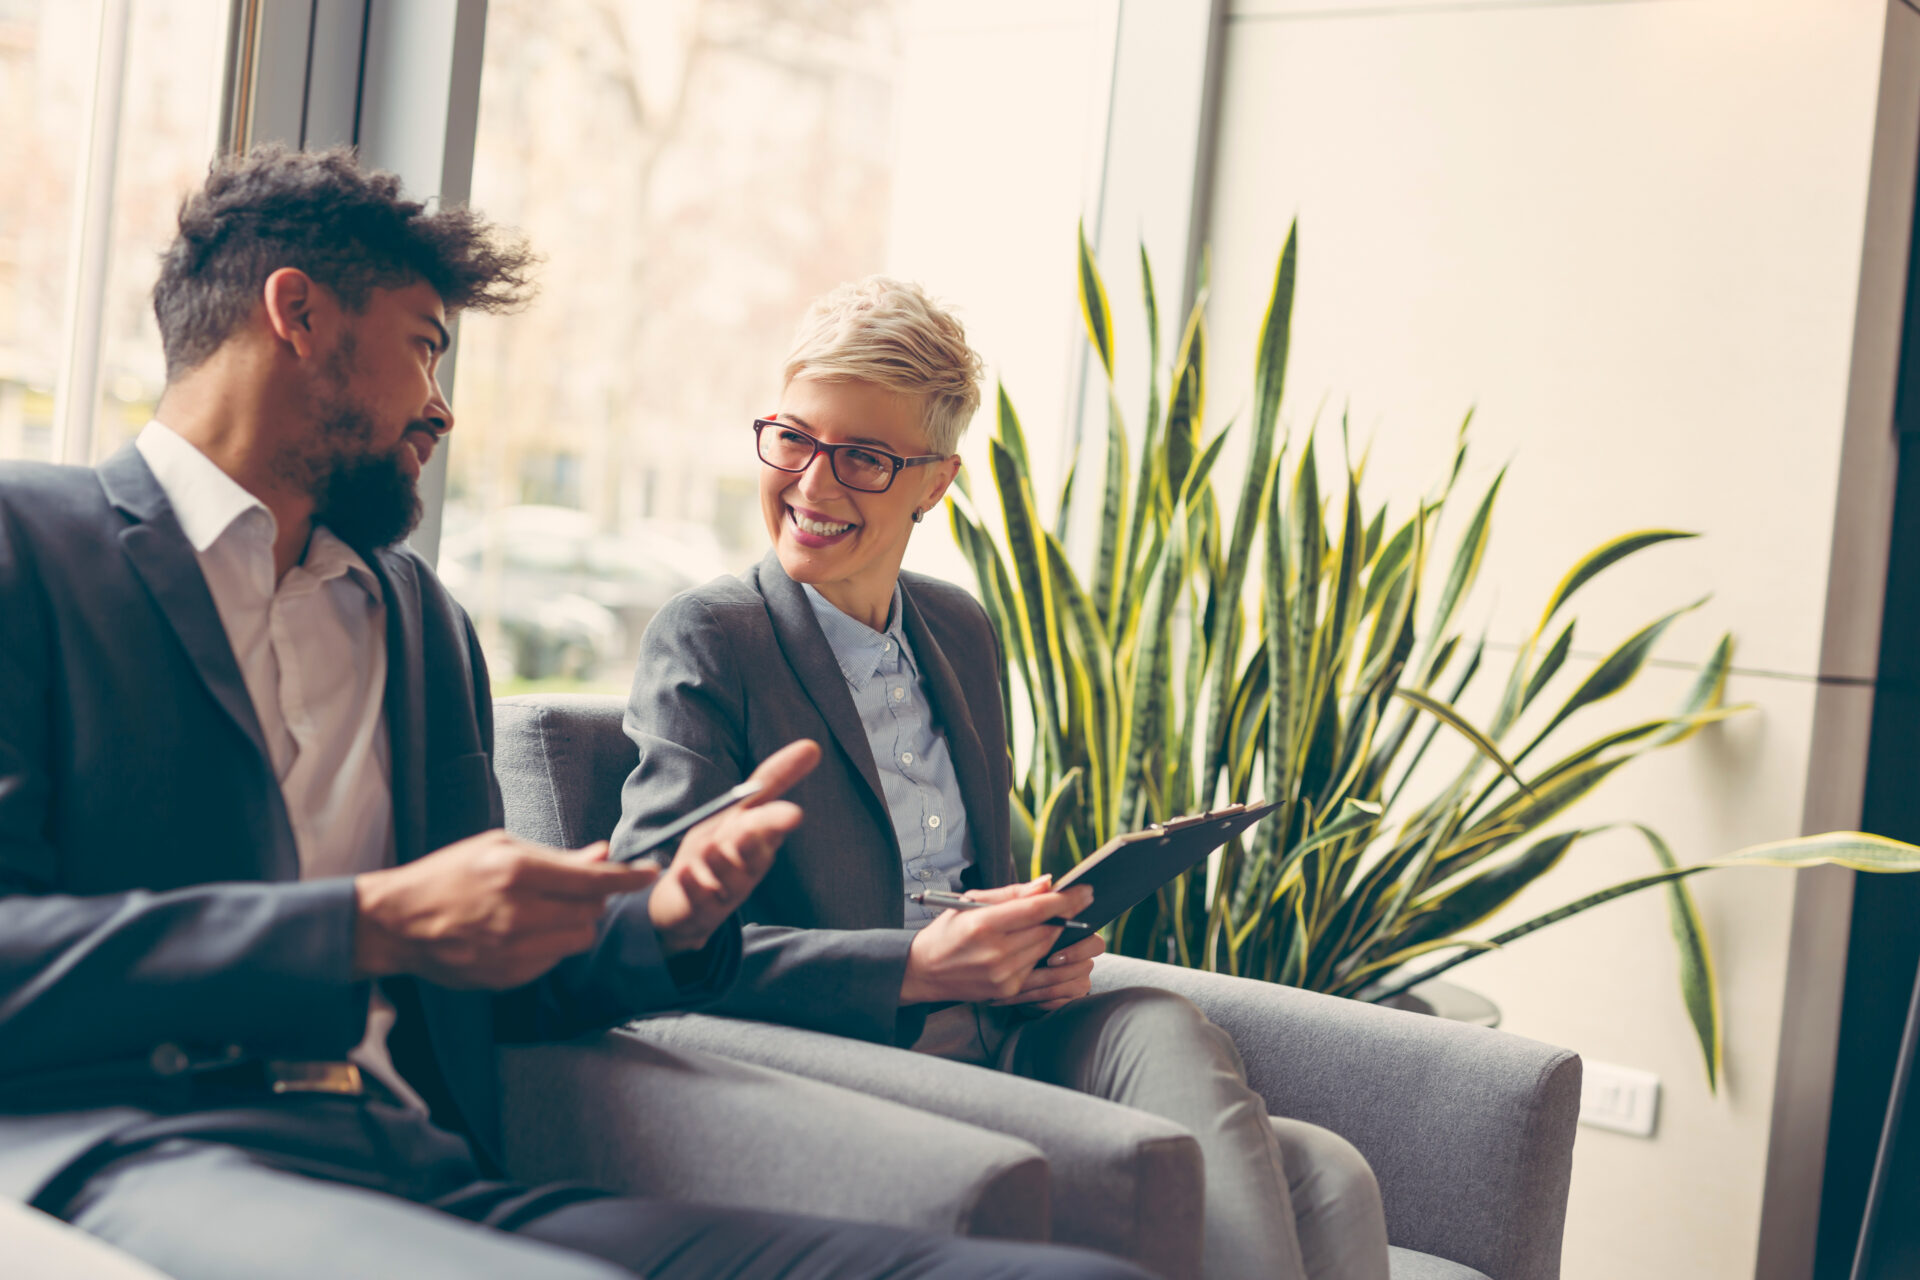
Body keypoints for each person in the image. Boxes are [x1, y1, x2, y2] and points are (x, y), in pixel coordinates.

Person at [0, 147, 1150, 1280]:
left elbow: (503, 975)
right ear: (295, 314)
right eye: (422, 347)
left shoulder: (417, 621)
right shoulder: (29, 547)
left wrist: (668, 917)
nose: (440, 408)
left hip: (419, 1164)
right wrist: (367, 922)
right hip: (132, 1150)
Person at [615, 276, 1395, 1280]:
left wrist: (1032, 944)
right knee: (1276, 1169)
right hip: (852, 1061)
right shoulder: (714, 637)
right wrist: (920, 966)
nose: (812, 482)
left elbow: (974, 876)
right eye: (794, 437)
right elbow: (652, 936)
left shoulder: (960, 629)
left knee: (1327, 1168)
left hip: (1005, 1031)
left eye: (862, 457)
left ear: (933, 482)